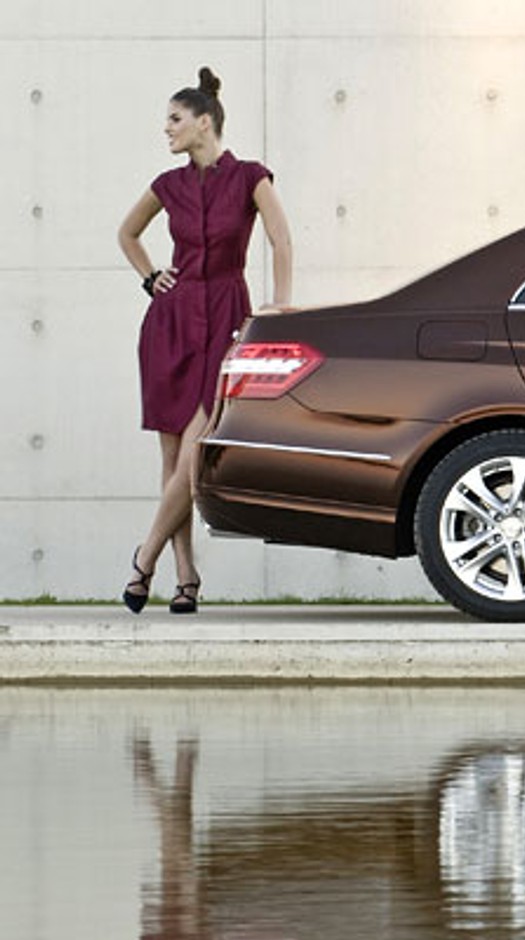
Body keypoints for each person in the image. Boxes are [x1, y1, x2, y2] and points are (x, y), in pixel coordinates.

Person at [117, 67, 292, 614]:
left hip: (227, 317)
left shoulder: (250, 177)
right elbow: (127, 233)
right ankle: (185, 576)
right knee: (173, 459)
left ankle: (143, 558)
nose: (166, 128)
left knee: (196, 450)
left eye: (175, 119)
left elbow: (281, 240)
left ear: (204, 122)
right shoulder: (166, 185)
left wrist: (280, 309)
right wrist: (151, 277)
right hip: (171, 322)